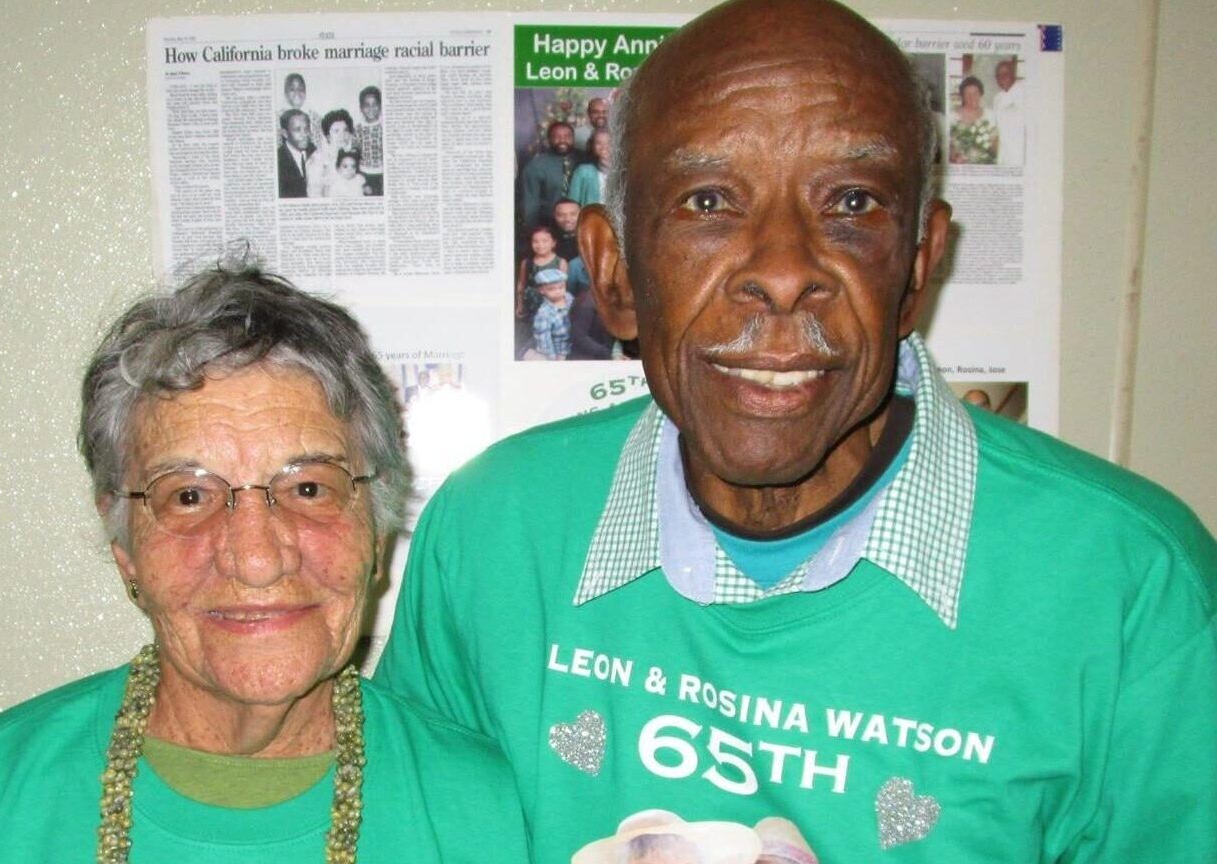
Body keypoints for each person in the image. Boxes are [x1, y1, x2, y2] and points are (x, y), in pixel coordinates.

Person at [377, 1, 1217, 862]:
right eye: (709, 201)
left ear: (917, 267)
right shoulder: (491, 535)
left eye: (852, 202)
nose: (783, 273)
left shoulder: (1130, 589)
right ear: (615, 272)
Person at [0, 257, 532, 863]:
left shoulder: (483, 813)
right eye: (189, 495)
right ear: (126, 549)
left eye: (308, 488)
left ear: (376, 527)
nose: (255, 558)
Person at [520, 121, 577, 233]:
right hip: (549, 224)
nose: (562, 140)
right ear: (549, 140)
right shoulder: (535, 165)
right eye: (557, 137)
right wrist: (533, 231)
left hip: (579, 222)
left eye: (567, 136)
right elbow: (530, 202)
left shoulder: (583, 159)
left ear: (573, 138)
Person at [515, 224, 567, 340]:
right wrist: (520, 304)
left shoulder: (560, 262)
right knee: (531, 332)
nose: (540, 245)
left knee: (550, 333)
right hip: (531, 304)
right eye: (535, 241)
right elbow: (521, 285)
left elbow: (563, 288)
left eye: (545, 241)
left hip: (551, 304)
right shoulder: (526, 262)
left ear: (553, 243)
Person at [307, 109, 356, 199]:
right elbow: (314, 194)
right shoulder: (318, 159)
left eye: (346, 130)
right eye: (336, 131)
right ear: (328, 136)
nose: (342, 135)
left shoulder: (351, 155)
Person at [949, 75, 997, 164]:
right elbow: (947, 146)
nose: (972, 97)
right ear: (962, 96)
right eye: (968, 94)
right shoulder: (952, 116)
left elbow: (994, 142)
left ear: (981, 94)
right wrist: (954, 157)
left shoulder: (990, 115)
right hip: (959, 165)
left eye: (976, 93)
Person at [527, 268, 573, 362]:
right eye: (551, 289)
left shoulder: (568, 297)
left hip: (574, 341)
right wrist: (552, 357)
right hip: (560, 350)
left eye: (561, 287)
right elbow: (544, 339)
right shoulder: (544, 313)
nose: (558, 291)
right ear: (542, 290)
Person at [991, 58, 1026, 166]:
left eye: (1005, 74)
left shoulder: (1024, 92)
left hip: (1021, 151)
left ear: (1013, 75)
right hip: (1003, 152)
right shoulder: (997, 98)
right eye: (998, 75)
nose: (1002, 78)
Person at [276, 109, 313, 199]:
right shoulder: (278, 160)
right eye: (297, 130)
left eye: (306, 128)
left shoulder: (316, 152)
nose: (304, 134)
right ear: (285, 133)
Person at [569, 129, 611, 208]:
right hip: (590, 218)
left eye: (609, 143)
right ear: (592, 146)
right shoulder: (582, 171)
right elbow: (572, 202)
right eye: (598, 143)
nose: (604, 147)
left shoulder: (624, 171)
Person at [356, 85, 385, 195]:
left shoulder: (383, 126)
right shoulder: (359, 128)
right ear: (361, 108)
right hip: (364, 172)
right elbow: (356, 151)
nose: (371, 108)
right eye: (367, 105)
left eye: (375, 104)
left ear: (380, 106)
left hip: (382, 172)